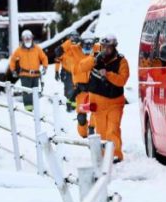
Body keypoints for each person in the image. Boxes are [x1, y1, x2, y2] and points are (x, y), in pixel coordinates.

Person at [78, 34, 128, 162]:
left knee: (113, 129)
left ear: (114, 47)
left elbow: (122, 80)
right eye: (103, 46)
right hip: (97, 103)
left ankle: (116, 154)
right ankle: (105, 155)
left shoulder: (121, 61)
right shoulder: (94, 57)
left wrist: (108, 74)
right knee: (101, 131)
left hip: (114, 103)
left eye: (108, 47)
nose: (106, 49)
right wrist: (94, 60)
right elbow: (82, 67)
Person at [9, 30, 48, 111]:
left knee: (35, 92)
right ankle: (28, 109)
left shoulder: (37, 49)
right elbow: (12, 60)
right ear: (22, 39)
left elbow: (44, 58)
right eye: (25, 38)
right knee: (27, 92)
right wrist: (13, 70)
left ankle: (35, 108)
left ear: (32, 38)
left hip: (36, 75)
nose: (27, 39)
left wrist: (45, 66)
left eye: (29, 37)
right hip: (25, 75)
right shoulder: (19, 50)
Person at [71, 36, 97, 137]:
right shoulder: (74, 50)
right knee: (81, 117)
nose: (88, 47)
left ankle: (92, 128)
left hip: (93, 89)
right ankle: (84, 135)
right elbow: (68, 46)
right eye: (85, 45)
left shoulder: (97, 50)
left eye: (90, 45)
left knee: (96, 109)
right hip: (80, 89)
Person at [54, 32, 82, 109]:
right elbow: (57, 59)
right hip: (67, 72)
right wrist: (56, 71)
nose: (73, 39)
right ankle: (70, 106)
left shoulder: (80, 48)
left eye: (75, 37)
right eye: (72, 38)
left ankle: (76, 107)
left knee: (78, 90)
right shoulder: (64, 49)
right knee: (69, 90)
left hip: (78, 73)